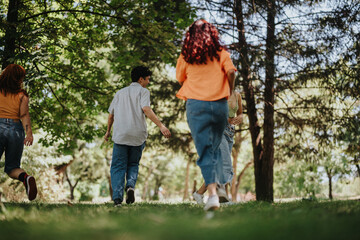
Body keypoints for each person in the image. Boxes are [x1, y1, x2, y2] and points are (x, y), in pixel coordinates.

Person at [176, 20, 236, 211]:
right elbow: (232, 72)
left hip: (196, 105)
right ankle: (218, 188)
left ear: (190, 35)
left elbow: (180, 78)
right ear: (213, 34)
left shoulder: (186, 56)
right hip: (220, 105)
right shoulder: (222, 54)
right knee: (216, 148)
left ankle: (212, 195)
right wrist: (229, 91)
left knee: (206, 150)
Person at [104, 66, 171, 206]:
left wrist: (108, 131)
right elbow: (146, 109)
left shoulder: (119, 93)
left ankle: (117, 199)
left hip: (121, 135)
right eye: (147, 79)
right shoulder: (144, 91)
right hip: (137, 135)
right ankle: (130, 186)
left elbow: (111, 115)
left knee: (118, 166)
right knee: (133, 163)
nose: (148, 82)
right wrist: (161, 125)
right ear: (141, 79)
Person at [192, 90, 243, 204]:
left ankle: (199, 193)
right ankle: (221, 196)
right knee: (226, 164)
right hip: (217, 130)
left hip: (230, 132)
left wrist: (240, 117)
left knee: (218, 166)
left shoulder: (237, 95)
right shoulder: (216, 91)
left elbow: (240, 112)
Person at [0, 64, 37, 201]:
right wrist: (29, 134)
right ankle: (26, 178)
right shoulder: (22, 95)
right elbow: (24, 116)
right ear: (19, 79)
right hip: (16, 130)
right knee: (12, 168)